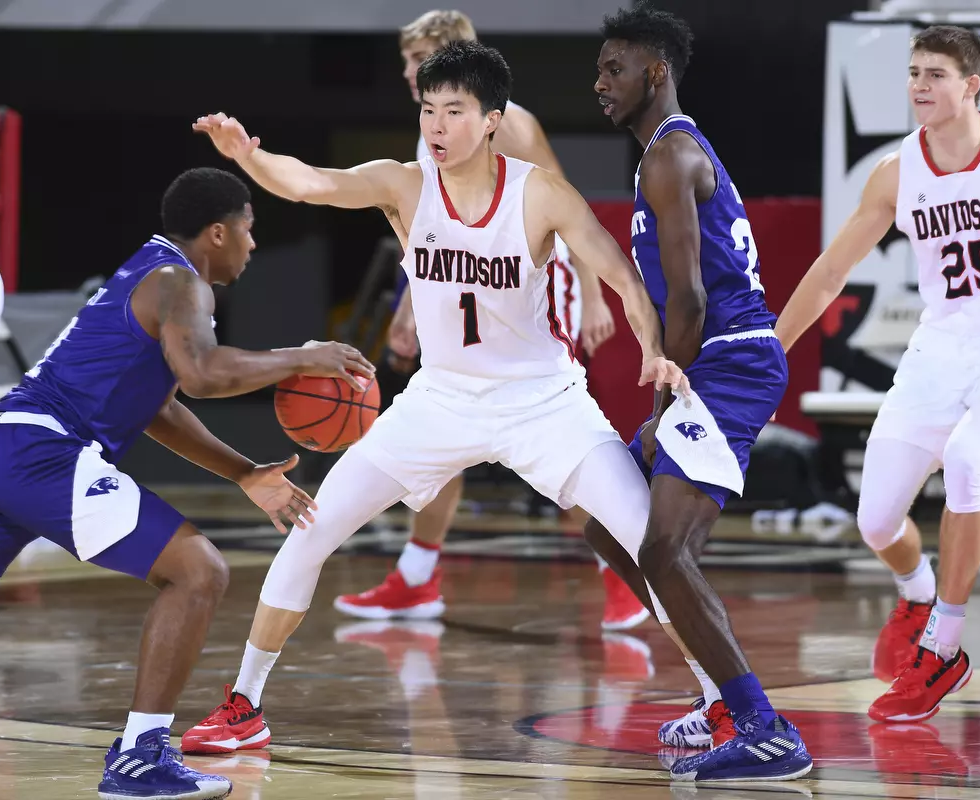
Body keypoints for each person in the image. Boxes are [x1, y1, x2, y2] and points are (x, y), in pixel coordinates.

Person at [183, 40, 688, 755]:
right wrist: (248, 158)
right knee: (310, 529)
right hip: (439, 400)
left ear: (492, 120)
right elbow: (312, 184)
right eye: (428, 110)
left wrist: (653, 350)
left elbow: (620, 275)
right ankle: (244, 702)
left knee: (650, 542)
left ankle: (726, 699)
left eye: (454, 111)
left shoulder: (538, 191)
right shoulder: (405, 185)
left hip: (542, 400)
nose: (437, 126)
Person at [0, 166, 375, 798]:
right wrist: (304, 355)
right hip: (41, 453)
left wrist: (243, 473)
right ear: (217, 232)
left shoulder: (148, 272)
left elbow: (157, 409)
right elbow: (203, 373)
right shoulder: (183, 282)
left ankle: (140, 757)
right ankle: (140, 758)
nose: (253, 244)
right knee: (198, 572)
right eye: (248, 229)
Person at [333, 9, 646, 632]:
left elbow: (563, 201)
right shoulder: (434, 131)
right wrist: (409, 311)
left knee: (558, 443)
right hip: (470, 293)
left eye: (415, 57)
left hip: (537, 286)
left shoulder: (512, 123)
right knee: (444, 425)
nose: (405, 71)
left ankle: (624, 575)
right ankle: (418, 578)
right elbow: (435, 243)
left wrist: (592, 290)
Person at [775, 25, 980, 723]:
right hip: (939, 348)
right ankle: (918, 591)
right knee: (874, 520)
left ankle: (944, 648)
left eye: (935, 73)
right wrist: (773, 346)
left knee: (966, 461)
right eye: (913, 72)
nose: (919, 85)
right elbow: (833, 270)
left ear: (971, 86)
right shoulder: (897, 172)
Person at [587, 5, 811, 781]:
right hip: (717, 362)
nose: (599, 82)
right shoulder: (666, 154)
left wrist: (659, 409)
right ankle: (724, 700)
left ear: (656, 72)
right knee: (604, 521)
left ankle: (762, 727)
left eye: (614, 68)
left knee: (661, 546)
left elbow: (688, 305)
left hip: (730, 360)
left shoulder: (668, 157)